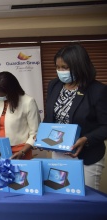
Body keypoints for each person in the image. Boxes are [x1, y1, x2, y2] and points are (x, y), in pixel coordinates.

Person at [43, 43, 107, 190]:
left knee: (86, 199)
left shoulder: (97, 90)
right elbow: (50, 115)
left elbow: (105, 126)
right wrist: (41, 135)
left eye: (65, 67)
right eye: (57, 67)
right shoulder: (54, 85)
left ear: (80, 66)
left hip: (86, 155)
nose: (60, 71)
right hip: (59, 152)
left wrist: (85, 139)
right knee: (60, 194)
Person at [0, 71, 41, 160]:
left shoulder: (28, 102)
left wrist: (22, 152)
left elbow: (35, 133)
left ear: (10, 91)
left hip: (20, 151)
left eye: (0, 94)